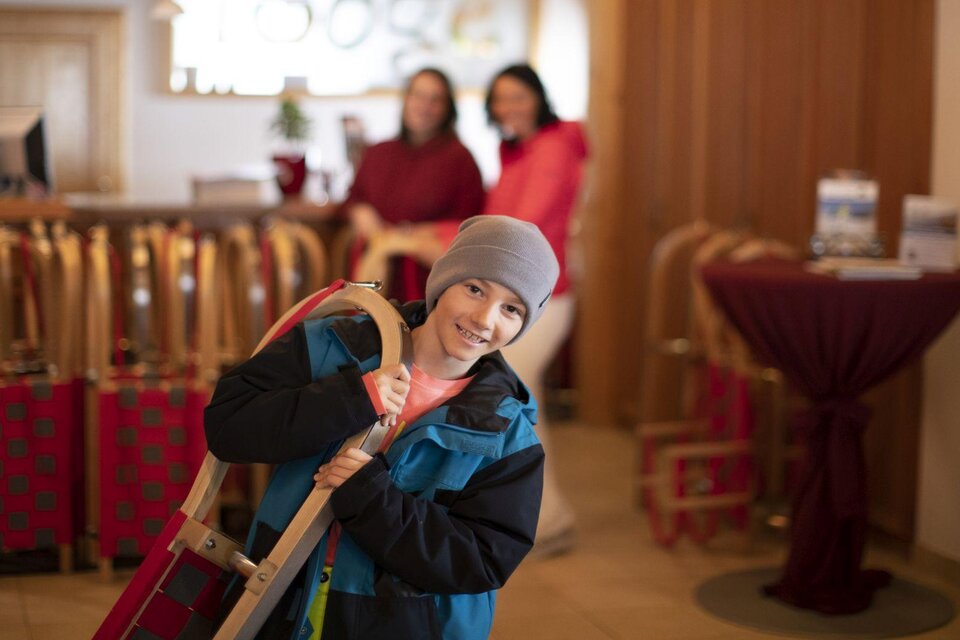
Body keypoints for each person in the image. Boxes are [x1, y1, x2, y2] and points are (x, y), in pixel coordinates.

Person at [204, 215, 559, 640]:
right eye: (475, 288)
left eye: (511, 309)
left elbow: (481, 561)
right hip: (280, 597)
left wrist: (371, 498)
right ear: (443, 280)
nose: (484, 318)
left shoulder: (508, 438)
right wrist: (350, 399)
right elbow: (228, 426)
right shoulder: (334, 345)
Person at [482, 63, 589, 555]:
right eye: (501, 99)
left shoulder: (550, 149)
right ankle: (540, 520)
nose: (509, 108)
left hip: (544, 298)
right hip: (523, 296)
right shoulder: (518, 151)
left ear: (538, 98)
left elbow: (522, 225)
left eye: (518, 97)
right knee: (519, 404)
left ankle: (548, 523)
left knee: (515, 406)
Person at [340, 67, 484, 301]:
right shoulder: (378, 152)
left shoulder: (461, 159)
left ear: (447, 109)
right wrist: (360, 212)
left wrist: (405, 237)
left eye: (435, 99)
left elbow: (467, 224)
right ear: (406, 99)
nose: (424, 106)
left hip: (428, 284)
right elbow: (354, 197)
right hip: (374, 275)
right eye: (418, 95)